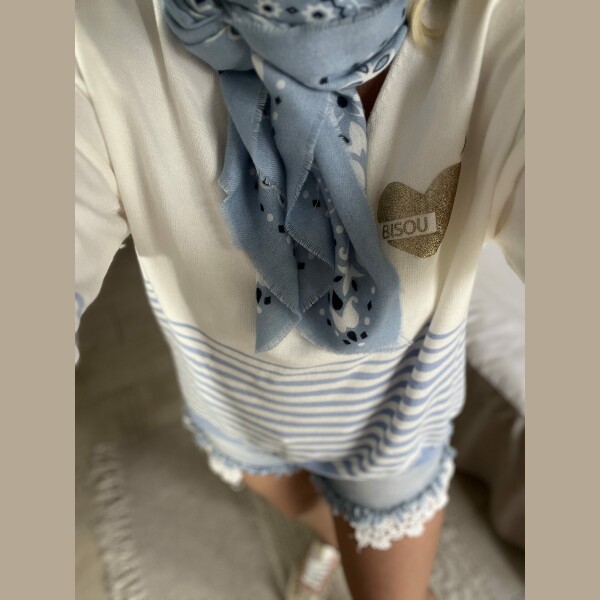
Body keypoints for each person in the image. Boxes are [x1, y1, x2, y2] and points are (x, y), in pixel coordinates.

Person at [75, 0, 524, 598]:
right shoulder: (91, 31)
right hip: (238, 411)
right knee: (314, 510)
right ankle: (337, 536)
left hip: (391, 429)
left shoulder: (506, 26)